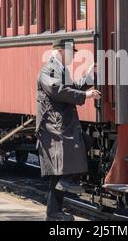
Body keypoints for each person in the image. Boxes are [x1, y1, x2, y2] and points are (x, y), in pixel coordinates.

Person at [36, 38, 101, 221]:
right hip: (54, 127)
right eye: (72, 52)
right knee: (62, 169)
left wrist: (89, 76)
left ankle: (54, 211)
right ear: (61, 51)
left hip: (60, 126)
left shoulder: (61, 70)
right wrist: (86, 95)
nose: (73, 56)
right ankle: (59, 201)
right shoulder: (48, 70)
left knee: (60, 172)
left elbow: (71, 89)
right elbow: (58, 90)